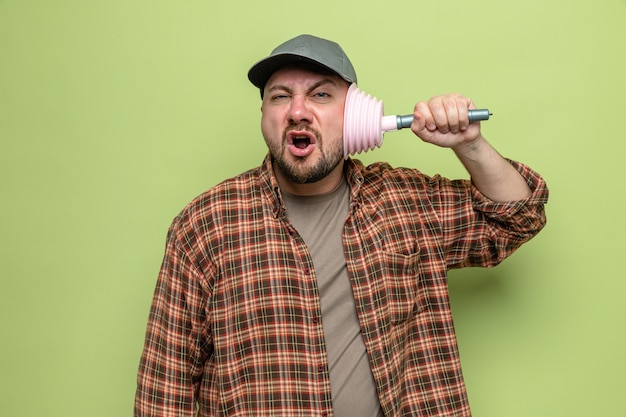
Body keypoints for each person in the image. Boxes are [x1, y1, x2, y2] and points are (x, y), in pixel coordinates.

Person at [134, 34, 548, 417]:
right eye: (280, 97)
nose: (298, 111)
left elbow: (517, 217)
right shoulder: (205, 226)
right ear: (264, 115)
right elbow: (163, 390)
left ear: (354, 113)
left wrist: (468, 143)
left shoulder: (404, 203)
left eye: (320, 95)